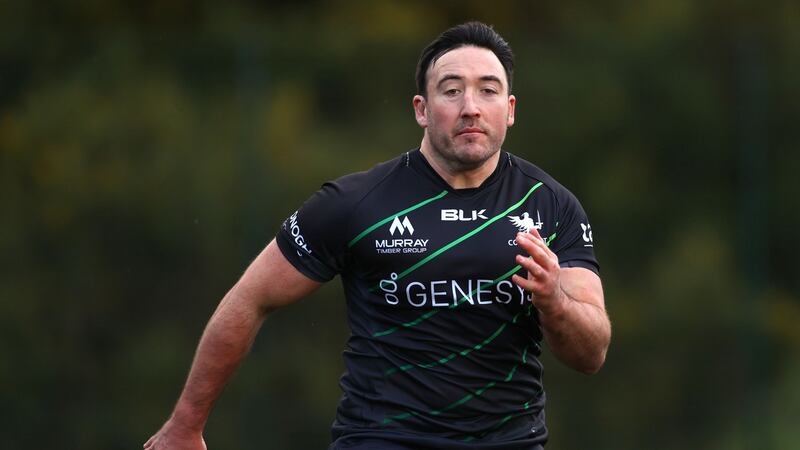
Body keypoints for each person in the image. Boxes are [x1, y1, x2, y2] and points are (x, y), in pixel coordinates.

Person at [144, 21, 611, 450]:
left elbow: (592, 353)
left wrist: (555, 301)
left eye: (488, 91)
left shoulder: (550, 205)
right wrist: (186, 424)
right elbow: (250, 299)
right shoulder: (356, 203)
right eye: (451, 91)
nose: (470, 107)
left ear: (509, 110)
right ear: (421, 110)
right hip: (383, 439)